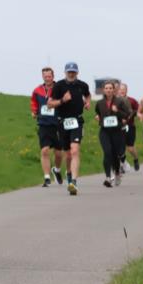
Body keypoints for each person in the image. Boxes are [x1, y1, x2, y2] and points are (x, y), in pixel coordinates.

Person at [48, 62, 91, 195]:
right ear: (65, 72)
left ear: (77, 72)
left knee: (75, 151)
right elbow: (50, 104)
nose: (71, 74)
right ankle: (68, 173)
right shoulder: (59, 86)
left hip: (77, 121)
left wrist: (88, 102)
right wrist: (62, 101)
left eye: (73, 72)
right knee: (68, 155)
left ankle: (74, 182)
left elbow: (88, 95)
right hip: (63, 122)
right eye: (69, 72)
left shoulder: (83, 85)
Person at [30, 67, 65, 187]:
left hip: (58, 123)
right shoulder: (37, 90)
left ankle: (57, 169)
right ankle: (46, 177)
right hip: (44, 123)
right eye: (45, 76)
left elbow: (65, 101)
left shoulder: (59, 88)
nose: (47, 78)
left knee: (58, 153)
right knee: (44, 150)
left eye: (49, 76)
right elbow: (34, 102)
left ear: (53, 76)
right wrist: (34, 111)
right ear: (42, 77)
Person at [94, 80, 131, 187]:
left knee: (115, 154)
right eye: (106, 88)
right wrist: (98, 117)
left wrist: (117, 112)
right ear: (103, 90)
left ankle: (118, 173)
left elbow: (127, 114)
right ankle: (108, 177)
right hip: (104, 131)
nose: (108, 90)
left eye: (110, 88)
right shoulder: (100, 103)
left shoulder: (119, 102)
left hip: (117, 131)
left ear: (114, 90)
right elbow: (98, 113)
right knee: (107, 152)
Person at [117, 82, 141, 172]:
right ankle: (122, 165)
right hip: (118, 127)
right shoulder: (115, 101)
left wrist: (134, 113)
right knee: (119, 146)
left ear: (126, 90)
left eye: (124, 89)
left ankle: (136, 159)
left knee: (130, 148)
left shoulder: (132, 101)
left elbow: (138, 110)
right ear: (118, 90)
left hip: (129, 126)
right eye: (120, 89)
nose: (122, 91)